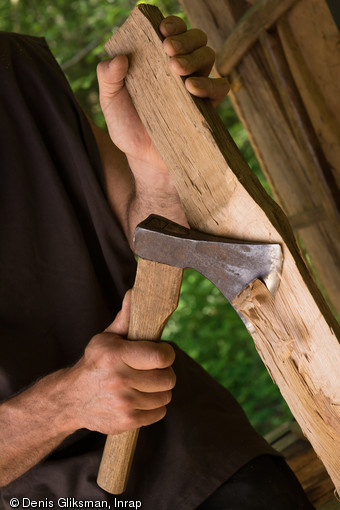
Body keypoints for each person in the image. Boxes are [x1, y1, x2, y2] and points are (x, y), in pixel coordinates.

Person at [0, 13, 314, 510]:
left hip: (191, 458)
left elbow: (149, 229)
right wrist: (67, 403)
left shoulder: (14, 70)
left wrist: (161, 165)